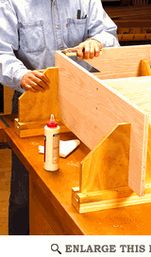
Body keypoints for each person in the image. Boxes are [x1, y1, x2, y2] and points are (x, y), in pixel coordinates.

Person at [0, 0, 119, 235]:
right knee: (26, 192)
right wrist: (20, 75)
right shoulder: (12, 3)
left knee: (80, 181)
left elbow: (108, 34)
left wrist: (97, 41)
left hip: (85, 101)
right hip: (34, 101)